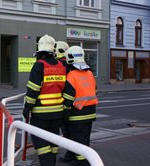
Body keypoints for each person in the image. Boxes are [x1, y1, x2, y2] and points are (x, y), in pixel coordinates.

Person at [23, 34, 66, 166]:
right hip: (58, 112)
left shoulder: (39, 66)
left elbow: (33, 90)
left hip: (41, 113)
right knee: (53, 143)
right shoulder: (62, 66)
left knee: (41, 144)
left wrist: (27, 108)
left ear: (39, 52)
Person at [62, 46, 98, 166]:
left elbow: (68, 98)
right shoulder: (90, 74)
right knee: (85, 139)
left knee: (78, 141)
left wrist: (65, 113)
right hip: (91, 113)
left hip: (77, 114)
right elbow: (94, 91)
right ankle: (80, 159)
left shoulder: (71, 75)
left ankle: (83, 163)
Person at [55, 41, 76, 163]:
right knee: (72, 130)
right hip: (74, 103)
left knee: (67, 131)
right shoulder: (71, 64)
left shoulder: (59, 64)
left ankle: (71, 155)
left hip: (63, 102)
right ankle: (73, 154)